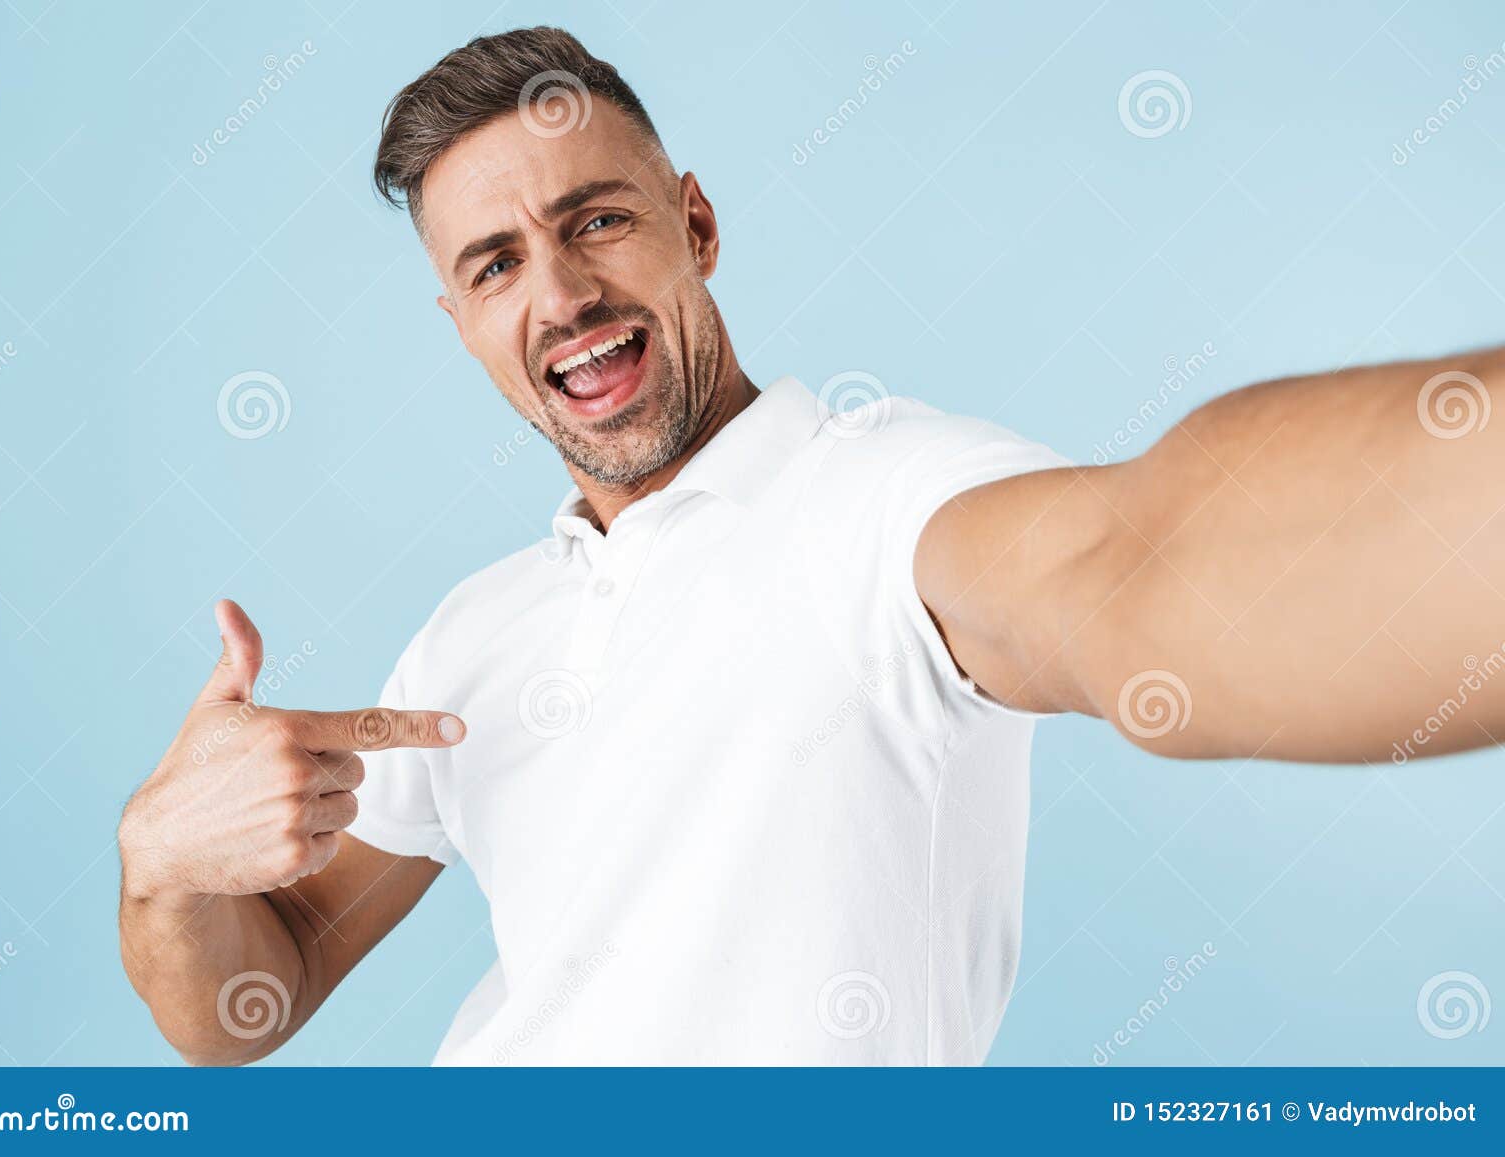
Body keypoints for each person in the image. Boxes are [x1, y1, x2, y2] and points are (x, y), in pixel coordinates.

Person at [117, 26, 1503, 1065]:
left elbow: (1137, 570)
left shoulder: (886, 499)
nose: (562, 292)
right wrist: (161, 863)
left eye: (594, 218)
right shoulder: (471, 633)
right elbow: (258, 993)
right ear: (463, 323)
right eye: (496, 265)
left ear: (696, 224)